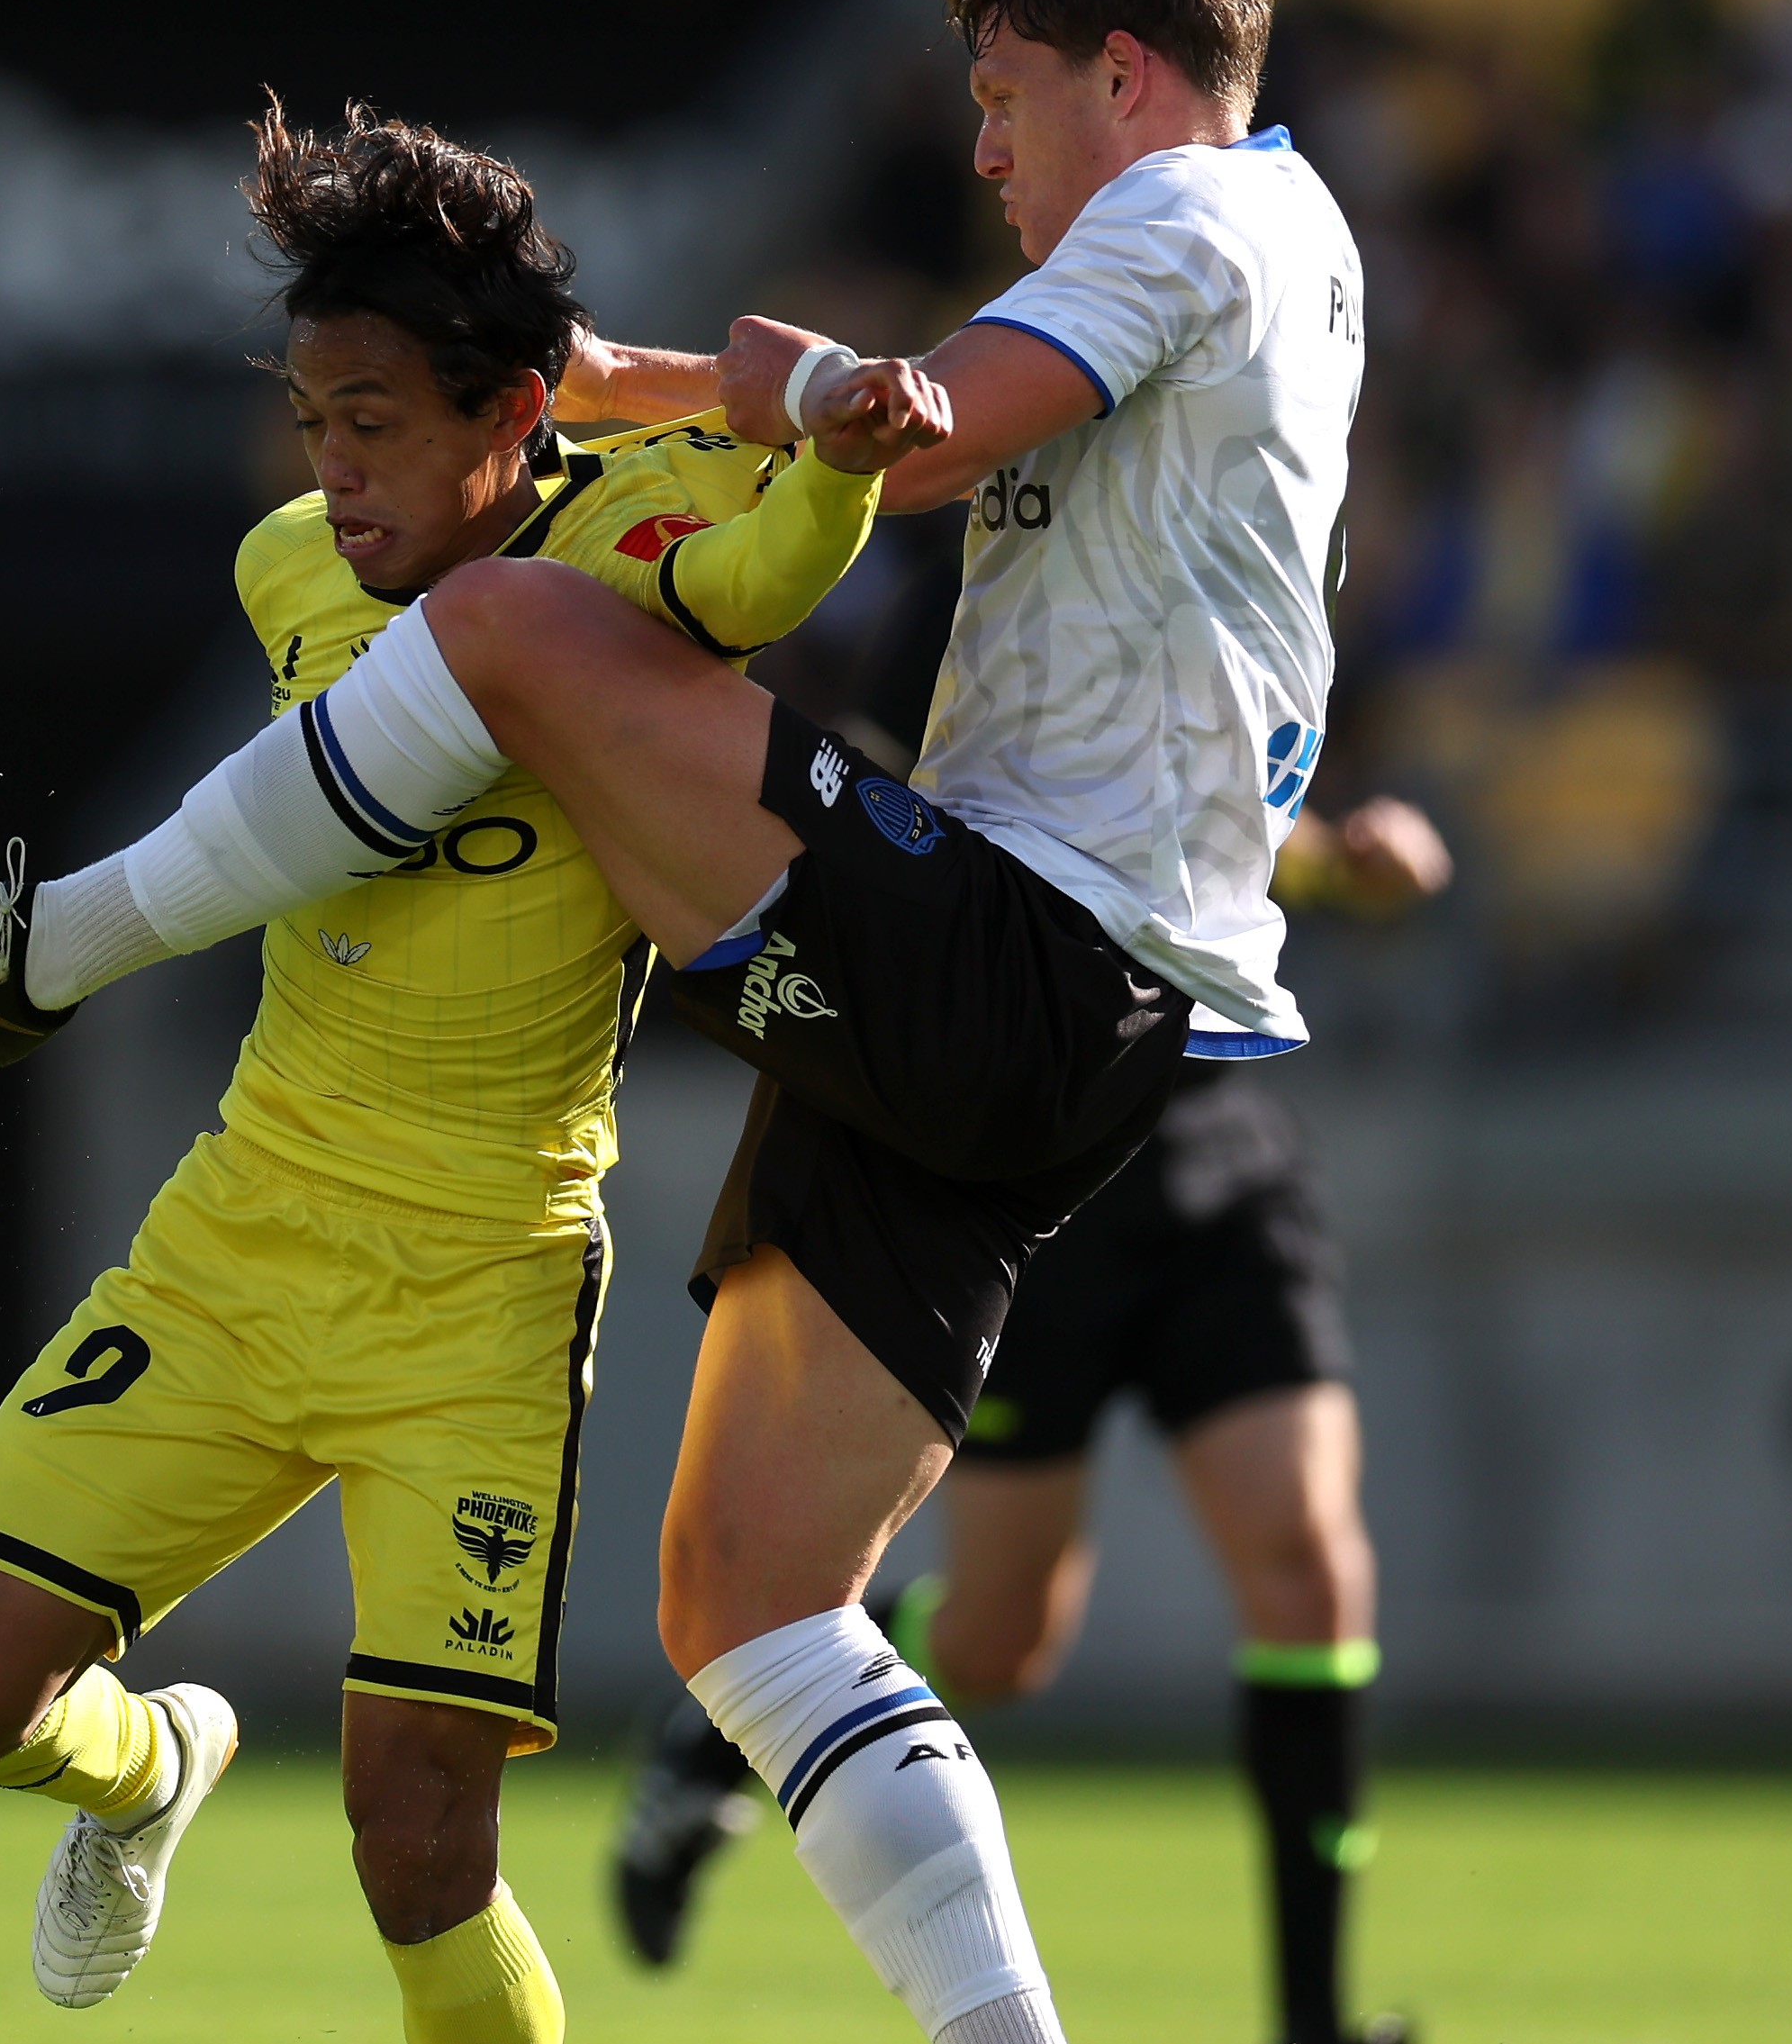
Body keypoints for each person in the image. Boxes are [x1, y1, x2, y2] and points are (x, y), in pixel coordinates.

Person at [0, 0, 1352, 2044]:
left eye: (1003, 97)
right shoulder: (1285, 234)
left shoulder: (1187, 212)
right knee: (748, 1603)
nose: (988, 149)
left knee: (513, 622)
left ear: (1127, 67)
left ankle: (50, 947)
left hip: (1016, 945)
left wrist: (827, 403)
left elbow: (912, 448)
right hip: (1040, 1011)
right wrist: (651, 377)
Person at [0, 97, 946, 2044]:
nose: (329, 474)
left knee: (418, 1841)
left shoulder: (630, 549)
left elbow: (765, 572)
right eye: (314, 421)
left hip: (482, 1283)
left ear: (511, 414)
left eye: (374, 424)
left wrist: (828, 454)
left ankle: (38, 946)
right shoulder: (286, 573)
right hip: (247, 1220)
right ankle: (149, 1771)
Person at [610, 796, 1452, 2044]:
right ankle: (732, 1720)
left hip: (1223, 1137)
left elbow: (1209, 777)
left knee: (1312, 1567)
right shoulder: (960, 611)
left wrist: (1335, 856)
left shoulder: (1221, 600)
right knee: (1004, 1643)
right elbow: (923, 799)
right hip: (1044, 1153)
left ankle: (1315, 2025)